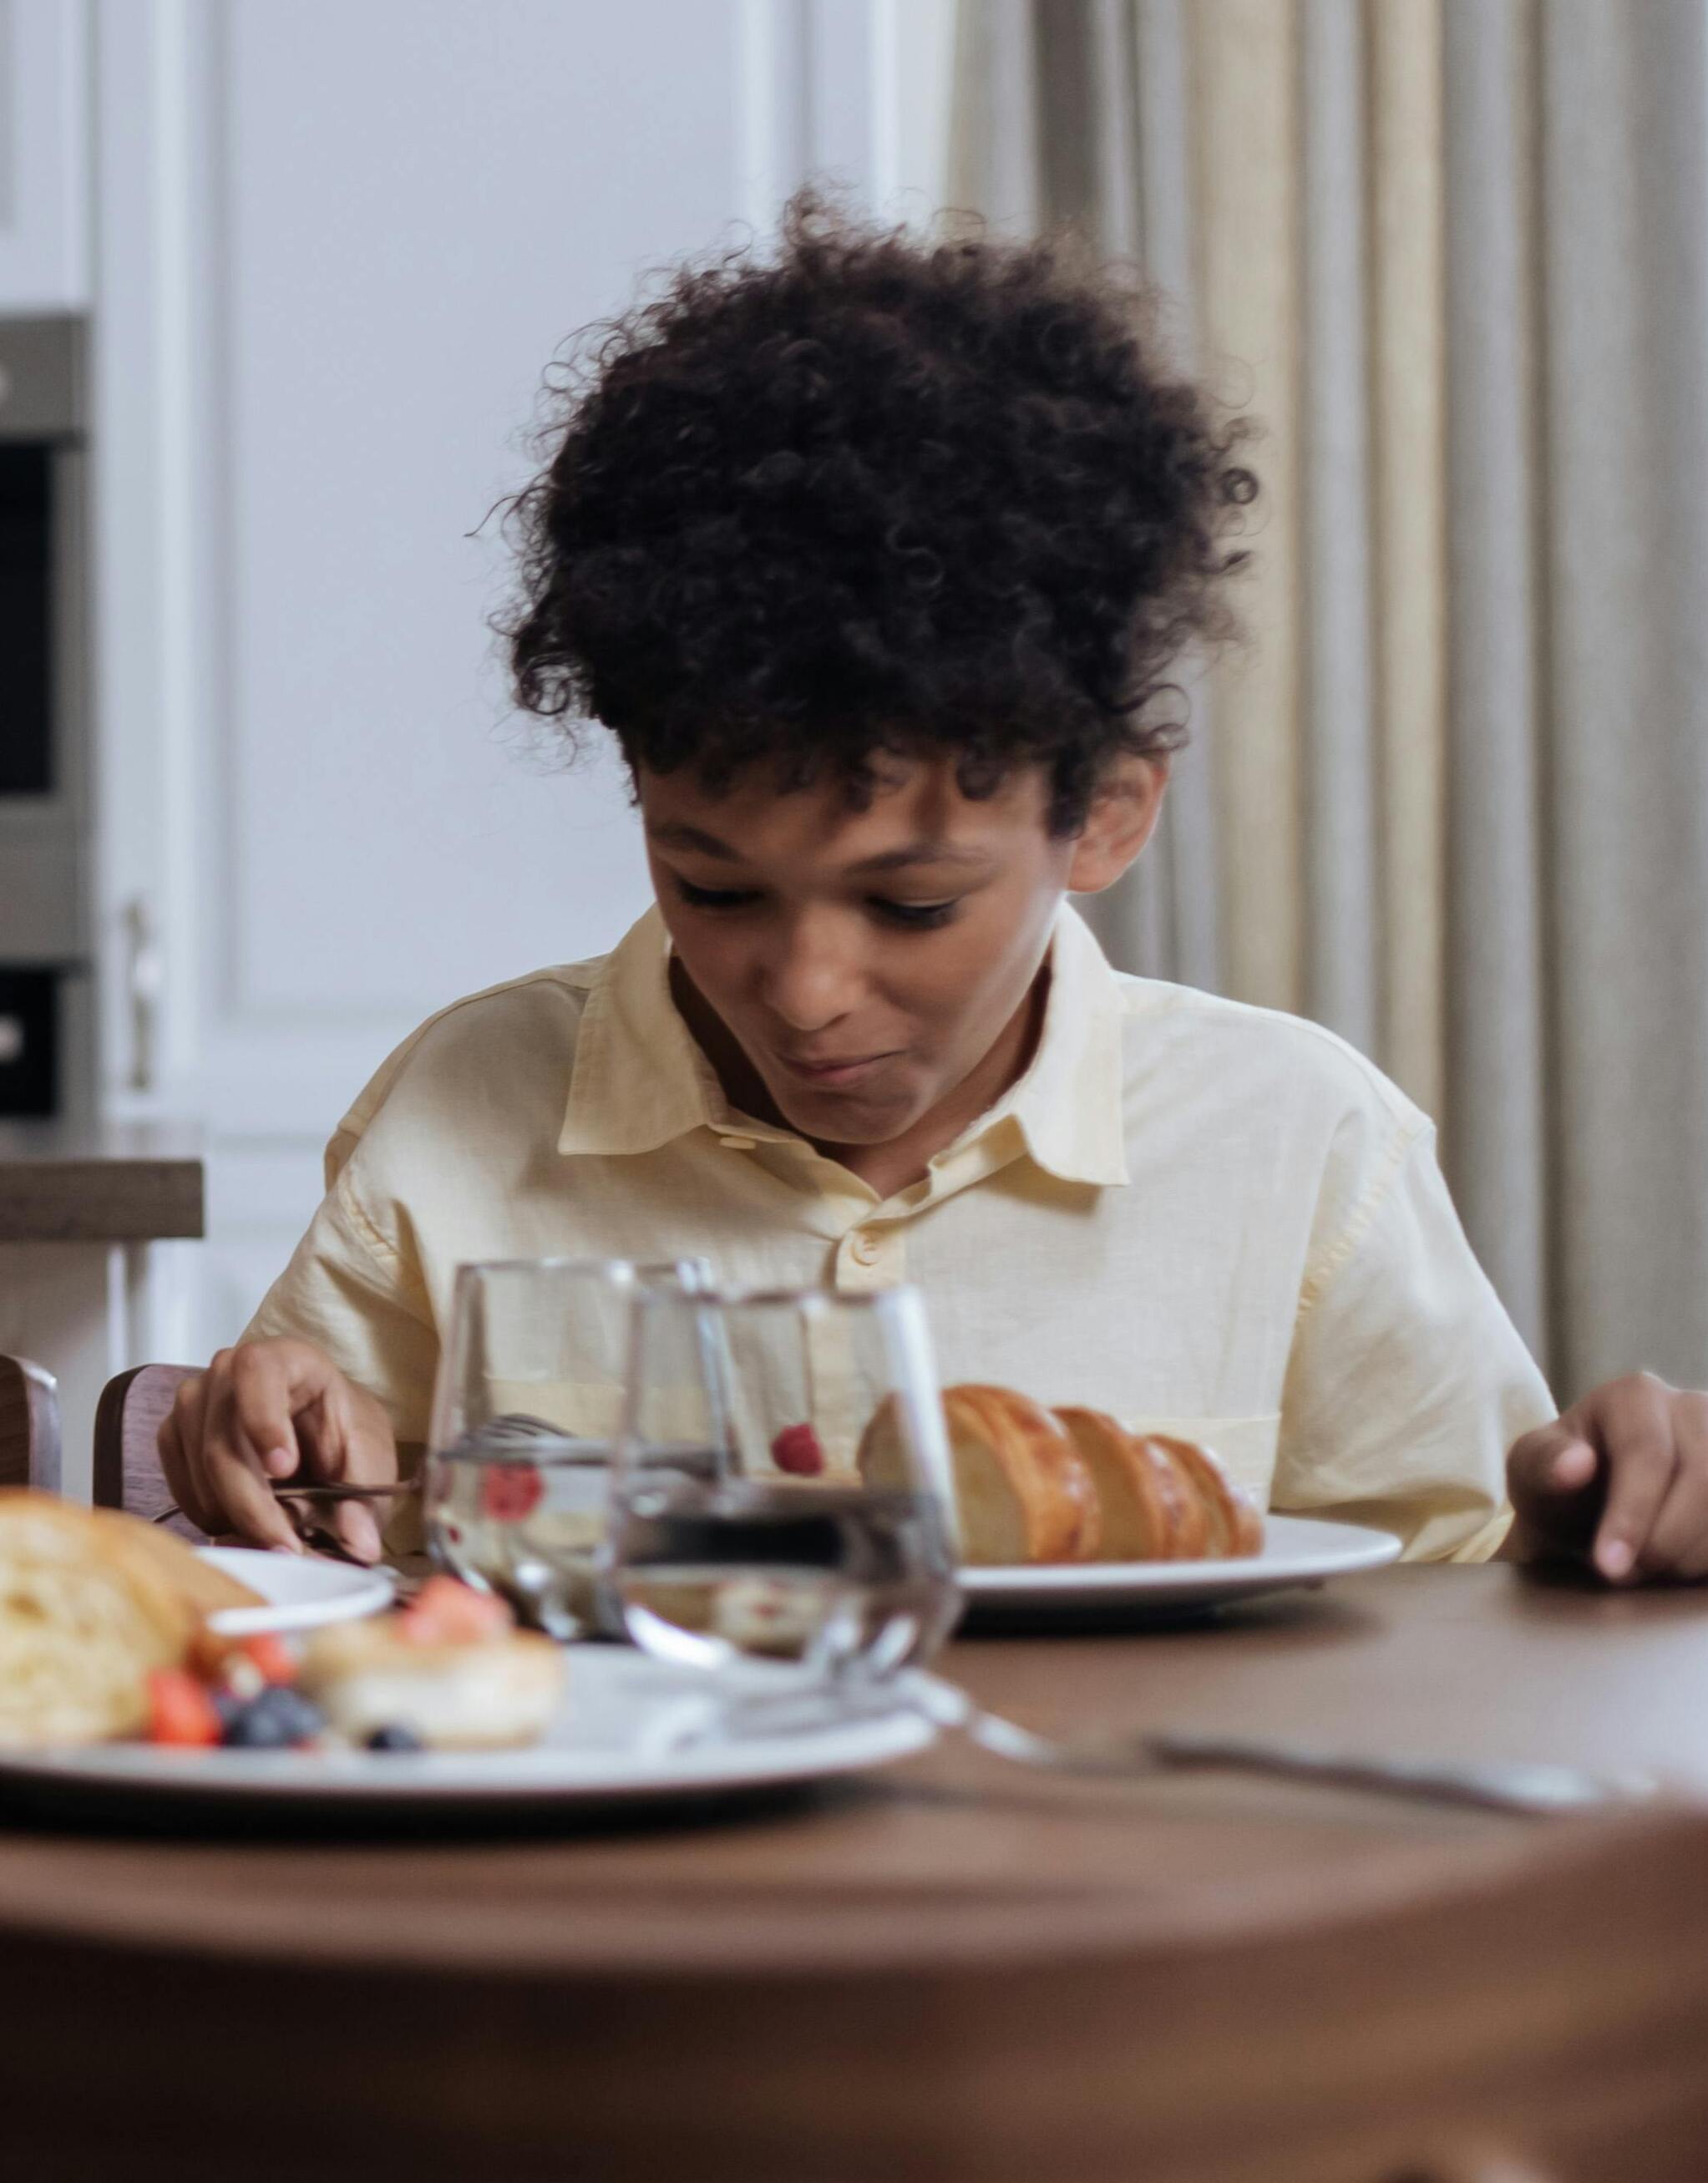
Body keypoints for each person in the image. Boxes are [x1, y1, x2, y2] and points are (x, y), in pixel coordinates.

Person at [160, 198, 1708, 1585]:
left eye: (908, 906)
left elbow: (1463, 1597)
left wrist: (1606, 1523)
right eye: (712, 883)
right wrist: (269, 1453)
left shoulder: (1300, 1144)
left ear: (1104, 814)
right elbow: (317, 1555)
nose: (804, 988)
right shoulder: (459, 1112)